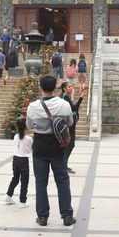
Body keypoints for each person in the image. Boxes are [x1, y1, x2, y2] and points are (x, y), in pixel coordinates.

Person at [26, 75, 76, 227]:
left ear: (40, 88)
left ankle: (42, 217)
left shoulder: (33, 106)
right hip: (58, 147)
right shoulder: (63, 105)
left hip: (40, 147)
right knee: (62, 181)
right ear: (55, 88)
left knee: (41, 182)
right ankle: (67, 215)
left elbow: (29, 126)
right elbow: (69, 122)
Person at [3, 117, 32, 208]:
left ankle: (8, 195)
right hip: (23, 160)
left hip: (15, 159)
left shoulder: (16, 136)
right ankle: (23, 201)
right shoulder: (28, 139)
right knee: (24, 181)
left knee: (15, 178)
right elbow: (30, 148)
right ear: (25, 127)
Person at [60, 82, 87, 174]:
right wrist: (81, 97)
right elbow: (73, 109)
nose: (71, 88)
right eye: (69, 87)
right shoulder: (65, 97)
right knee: (70, 144)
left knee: (70, 144)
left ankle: (64, 164)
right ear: (64, 88)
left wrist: (77, 107)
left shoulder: (64, 97)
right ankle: (63, 165)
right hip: (69, 124)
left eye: (71, 86)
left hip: (69, 123)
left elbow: (72, 108)